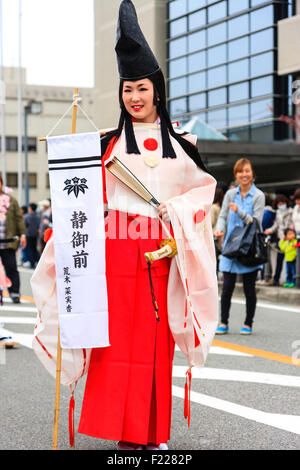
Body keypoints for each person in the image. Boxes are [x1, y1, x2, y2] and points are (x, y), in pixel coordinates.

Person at [76, 0, 218, 451]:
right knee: (113, 347)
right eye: (126, 90)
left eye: (140, 88)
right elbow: (85, 200)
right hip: (115, 257)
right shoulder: (107, 145)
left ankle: (148, 432)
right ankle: (121, 433)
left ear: (156, 88)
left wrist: (174, 214)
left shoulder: (183, 145)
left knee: (155, 350)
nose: (133, 98)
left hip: (161, 259)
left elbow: (203, 194)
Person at [214, 158, 265, 335]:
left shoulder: (258, 196)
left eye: (247, 171)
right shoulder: (230, 194)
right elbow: (222, 215)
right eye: (241, 171)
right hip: (230, 246)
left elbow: (257, 222)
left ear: (252, 174)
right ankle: (224, 321)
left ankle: (248, 323)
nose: (244, 174)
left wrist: (240, 212)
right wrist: (219, 228)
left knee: (249, 290)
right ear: (236, 175)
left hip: (249, 249)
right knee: (226, 287)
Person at [0, 174, 26, 303]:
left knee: (11, 267)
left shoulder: (11, 200)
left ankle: (15, 292)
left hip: (8, 242)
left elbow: (19, 219)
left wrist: (23, 235)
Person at [264, 194, 293, 286]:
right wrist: (270, 230)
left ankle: (291, 280)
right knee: (279, 260)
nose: (281, 205)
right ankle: (276, 279)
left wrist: (288, 234)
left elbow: (291, 225)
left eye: (283, 203)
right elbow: (276, 225)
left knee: (291, 261)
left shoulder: (291, 212)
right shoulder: (277, 213)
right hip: (282, 240)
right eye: (279, 204)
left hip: (291, 239)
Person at [24, 203, 41, 269]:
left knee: (29, 248)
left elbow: (25, 225)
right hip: (35, 234)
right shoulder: (38, 216)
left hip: (28, 234)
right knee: (34, 248)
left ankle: (32, 262)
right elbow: (39, 225)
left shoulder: (27, 216)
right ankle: (37, 261)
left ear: (30, 208)